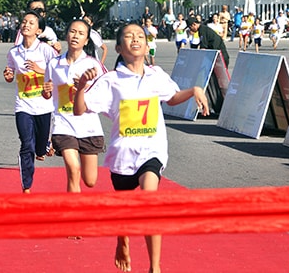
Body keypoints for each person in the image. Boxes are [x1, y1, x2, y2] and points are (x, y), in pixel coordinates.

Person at [73, 23, 209, 273]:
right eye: (128, 36)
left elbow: (172, 97)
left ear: (147, 46)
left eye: (140, 36)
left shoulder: (156, 75)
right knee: (126, 211)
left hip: (152, 151)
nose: (135, 39)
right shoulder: (110, 80)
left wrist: (194, 91)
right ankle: (122, 239)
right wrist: (81, 87)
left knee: (149, 201)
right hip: (122, 155)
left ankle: (154, 267)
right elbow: (79, 109)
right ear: (118, 47)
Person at [42, 19, 106, 195]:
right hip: (63, 124)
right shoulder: (54, 64)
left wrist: (84, 88)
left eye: (80, 33)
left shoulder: (93, 65)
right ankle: (74, 214)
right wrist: (45, 91)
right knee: (73, 169)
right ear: (66, 35)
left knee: (90, 180)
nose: (75, 36)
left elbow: (103, 95)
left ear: (86, 40)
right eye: (72, 31)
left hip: (89, 126)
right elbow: (47, 95)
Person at [3, 10, 58, 193]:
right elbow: (10, 74)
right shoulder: (14, 52)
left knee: (39, 149)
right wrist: (9, 75)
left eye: (31, 23)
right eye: (24, 22)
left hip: (44, 106)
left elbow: (58, 72)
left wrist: (40, 70)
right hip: (23, 105)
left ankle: (45, 145)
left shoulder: (46, 50)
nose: (26, 25)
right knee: (26, 145)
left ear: (39, 30)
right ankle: (26, 186)